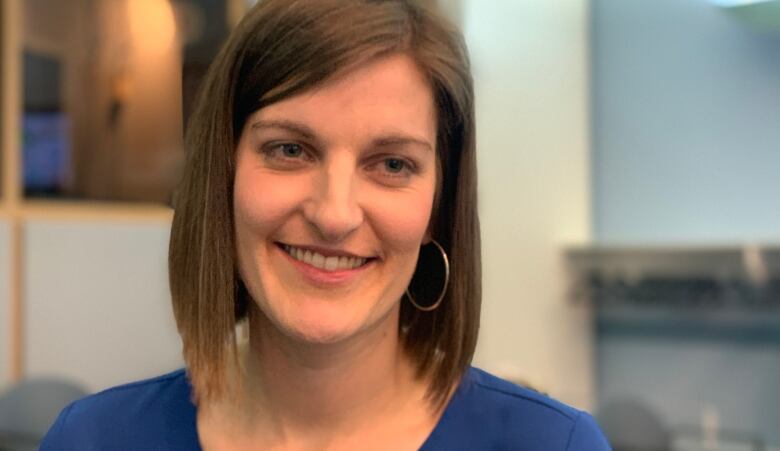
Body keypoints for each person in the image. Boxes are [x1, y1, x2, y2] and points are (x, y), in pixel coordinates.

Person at [41, 0, 612, 449]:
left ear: (439, 206)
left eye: (392, 164)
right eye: (290, 149)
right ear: (223, 177)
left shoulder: (551, 444)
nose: (335, 215)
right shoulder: (93, 440)